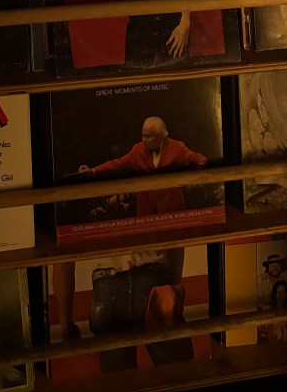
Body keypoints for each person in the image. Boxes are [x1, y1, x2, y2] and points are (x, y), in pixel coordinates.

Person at [52, 247, 195, 373]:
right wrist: (173, 289)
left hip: (107, 284)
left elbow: (63, 262)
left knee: (119, 384)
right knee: (180, 375)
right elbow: (176, 238)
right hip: (153, 275)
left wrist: (66, 324)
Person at [78, 116, 208, 217]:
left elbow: (199, 159)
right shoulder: (138, 150)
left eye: (148, 136)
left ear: (161, 137)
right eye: (142, 135)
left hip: (173, 211)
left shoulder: (177, 148)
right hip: (146, 213)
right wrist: (93, 171)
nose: (144, 139)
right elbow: (118, 164)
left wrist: (198, 175)